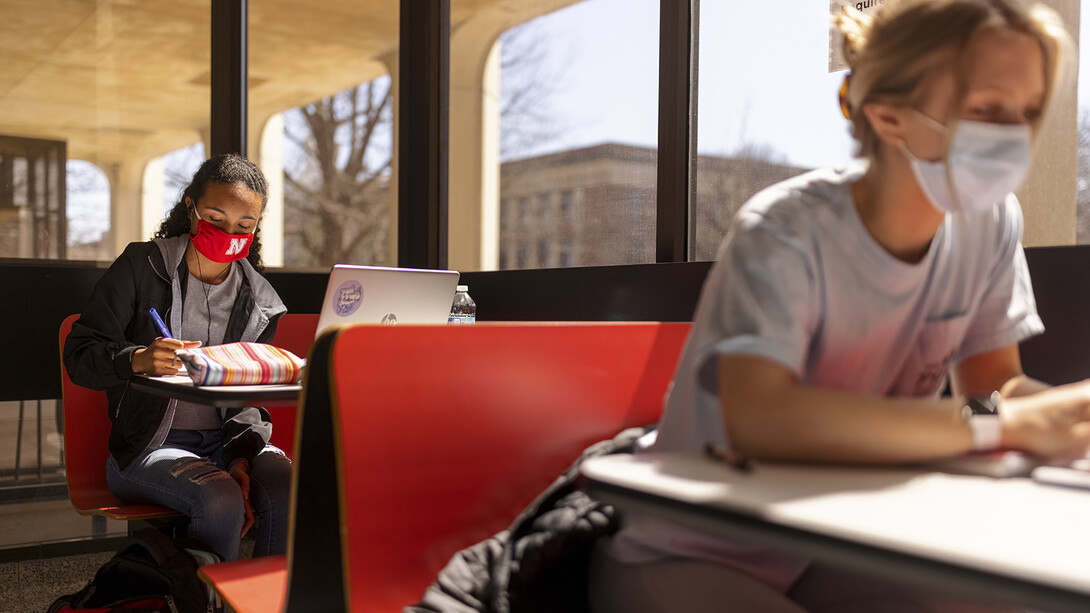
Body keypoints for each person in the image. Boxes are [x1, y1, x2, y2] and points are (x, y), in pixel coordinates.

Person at [589, 1, 1082, 611]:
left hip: (840, 537)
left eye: (1027, 113)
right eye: (986, 109)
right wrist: (998, 427)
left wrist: (1070, 414)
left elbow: (994, 385)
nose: (1011, 134)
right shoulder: (782, 231)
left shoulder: (992, 222)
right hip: (693, 545)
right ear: (889, 116)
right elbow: (762, 418)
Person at [63, 153, 291, 562]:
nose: (228, 233)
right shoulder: (143, 266)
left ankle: (263, 601)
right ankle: (204, 601)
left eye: (244, 225)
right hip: (149, 448)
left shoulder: (260, 301)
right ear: (190, 206)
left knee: (286, 484)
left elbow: (247, 403)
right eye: (216, 218)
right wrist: (137, 359)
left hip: (226, 445)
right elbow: (81, 355)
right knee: (220, 497)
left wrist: (240, 457)